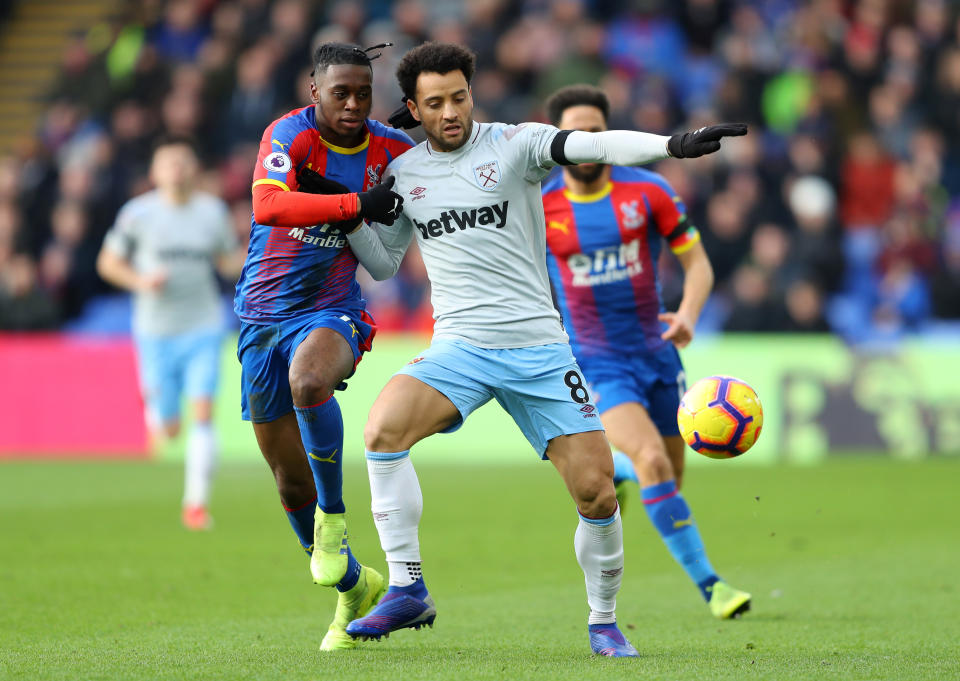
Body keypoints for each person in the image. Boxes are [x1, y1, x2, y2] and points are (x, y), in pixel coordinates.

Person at [337, 42, 746, 655]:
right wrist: (349, 214)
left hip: (539, 350)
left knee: (597, 492)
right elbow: (384, 263)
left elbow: (593, 146)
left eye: (459, 97)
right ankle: (407, 586)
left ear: (472, 93)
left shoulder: (516, 144)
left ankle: (603, 621)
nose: (451, 112)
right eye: (435, 103)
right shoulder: (404, 173)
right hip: (459, 348)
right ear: (415, 110)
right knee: (381, 431)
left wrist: (672, 146)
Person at [540, 84, 751, 620]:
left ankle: (621, 471)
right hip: (595, 360)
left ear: (608, 134)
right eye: (574, 132)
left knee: (667, 479)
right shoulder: (540, 207)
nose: (585, 139)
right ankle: (713, 587)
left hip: (657, 356)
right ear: (557, 140)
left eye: (595, 129)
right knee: (655, 459)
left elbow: (698, 264)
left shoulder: (648, 192)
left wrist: (688, 315)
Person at [233, 42, 412, 651]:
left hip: (330, 308)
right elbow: (268, 204)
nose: (355, 104)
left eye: (364, 92)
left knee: (309, 382)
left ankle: (334, 519)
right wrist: (356, 204)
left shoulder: (390, 146)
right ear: (316, 91)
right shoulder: (288, 134)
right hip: (260, 318)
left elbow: (446, 167)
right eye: (341, 92)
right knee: (287, 483)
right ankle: (353, 589)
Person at [97, 135, 244, 531]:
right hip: (155, 331)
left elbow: (228, 261)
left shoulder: (212, 212)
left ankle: (195, 504)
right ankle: (156, 409)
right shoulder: (137, 214)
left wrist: (256, 257)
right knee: (167, 428)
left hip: (202, 326)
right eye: (168, 163)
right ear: (155, 172)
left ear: (194, 168)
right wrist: (142, 281)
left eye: (183, 161)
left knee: (202, 412)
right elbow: (107, 263)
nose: (176, 169)